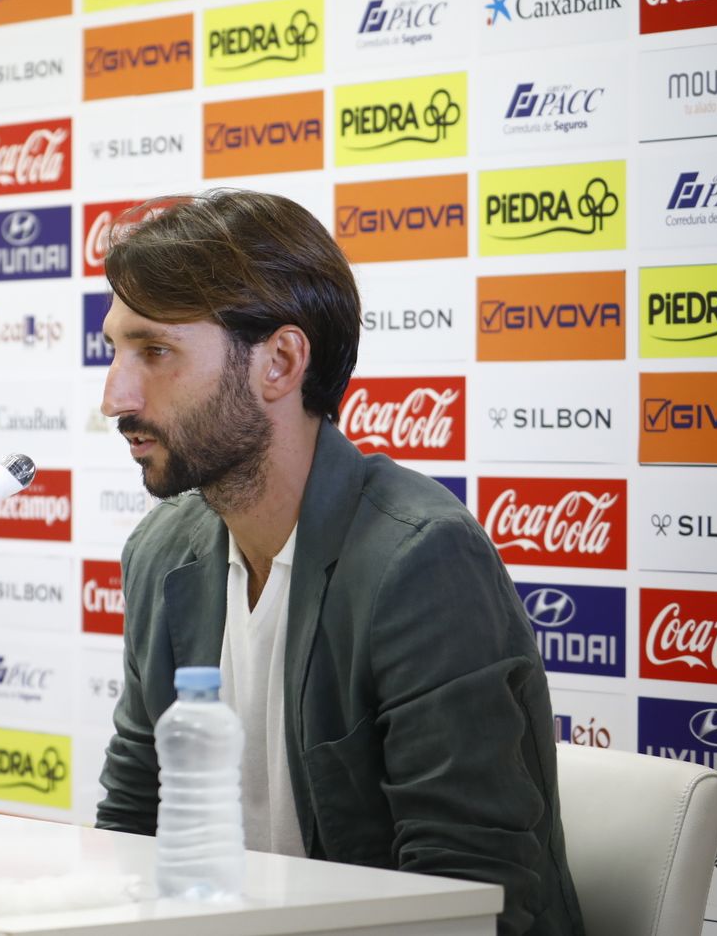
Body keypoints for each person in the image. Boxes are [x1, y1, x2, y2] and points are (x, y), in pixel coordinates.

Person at [94, 191, 581, 936]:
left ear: (281, 362)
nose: (114, 396)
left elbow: (470, 896)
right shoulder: (160, 553)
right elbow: (133, 828)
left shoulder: (419, 562)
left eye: (154, 351)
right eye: (114, 350)